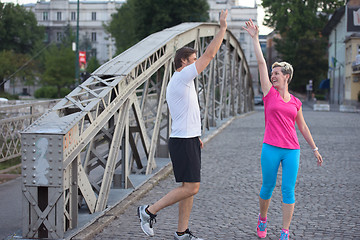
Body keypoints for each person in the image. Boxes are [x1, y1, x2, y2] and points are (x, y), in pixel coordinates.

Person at [137, 9, 228, 240]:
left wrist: (196, 135)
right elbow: (209, 55)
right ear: (183, 63)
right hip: (182, 140)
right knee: (192, 188)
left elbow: (186, 112)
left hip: (188, 138)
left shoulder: (181, 82)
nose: (197, 64)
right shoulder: (182, 77)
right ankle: (148, 211)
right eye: (193, 61)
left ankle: (181, 232)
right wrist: (223, 28)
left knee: (190, 188)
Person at [243, 19, 323, 240]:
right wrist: (254, 38)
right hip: (270, 148)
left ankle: (285, 231)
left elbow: (303, 126)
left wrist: (314, 148)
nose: (273, 75)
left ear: (286, 76)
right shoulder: (269, 94)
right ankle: (262, 217)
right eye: (272, 72)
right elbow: (260, 63)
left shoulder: (296, 102)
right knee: (267, 187)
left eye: (277, 73)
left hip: (291, 151)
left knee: (288, 190)